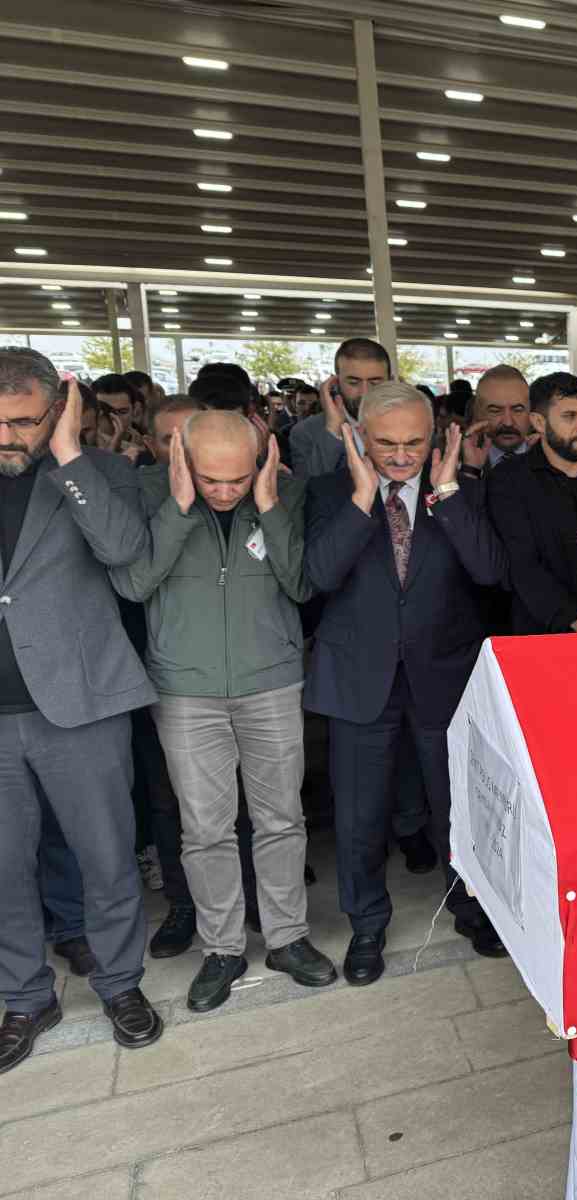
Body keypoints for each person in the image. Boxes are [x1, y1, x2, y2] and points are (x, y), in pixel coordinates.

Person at [111, 411, 335, 1011]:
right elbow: (134, 583)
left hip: (271, 682)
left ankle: (287, 937)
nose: (225, 492)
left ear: (261, 458)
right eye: (211, 479)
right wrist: (179, 508)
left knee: (281, 819)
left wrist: (269, 503)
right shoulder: (150, 493)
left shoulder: (283, 492)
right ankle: (222, 949)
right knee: (205, 829)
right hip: (186, 691)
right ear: (181, 457)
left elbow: (300, 585)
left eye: (239, 478)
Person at [304, 382, 508, 984]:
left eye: (414, 443)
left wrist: (446, 494)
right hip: (358, 679)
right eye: (386, 443)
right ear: (359, 436)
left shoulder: (459, 492)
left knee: (457, 805)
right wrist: (363, 500)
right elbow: (316, 576)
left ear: (436, 435)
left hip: (443, 675)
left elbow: (491, 572)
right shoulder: (326, 492)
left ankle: (471, 905)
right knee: (360, 812)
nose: (399, 456)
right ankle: (367, 923)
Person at [0, 350, 163, 1074]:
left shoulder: (99, 474)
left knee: (106, 857)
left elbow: (128, 559)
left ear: (59, 409)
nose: (6, 437)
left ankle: (120, 983)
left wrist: (66, 455)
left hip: (82, 702)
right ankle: (25, 996)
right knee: (3, 870)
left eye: (24, 423)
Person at [488, 372, 577, 634]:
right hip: (544, 635)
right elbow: (522, 564)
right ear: (539, 422)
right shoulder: (509, 482)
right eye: (569, 417)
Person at [290, 337, 392, 479]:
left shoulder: (413, 425)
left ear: (390, 382)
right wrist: (333, 431)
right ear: (335, 383)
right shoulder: (306, 433)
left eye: (375, 383)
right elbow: (307, 491)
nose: (365, 392)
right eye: (353, 382)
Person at [474, 365, 533, 470]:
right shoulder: (455, 463)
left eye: (517, 410)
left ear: (531, 411)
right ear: (478, 413)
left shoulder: (554, 460)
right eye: (495, 411)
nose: (508, 422)